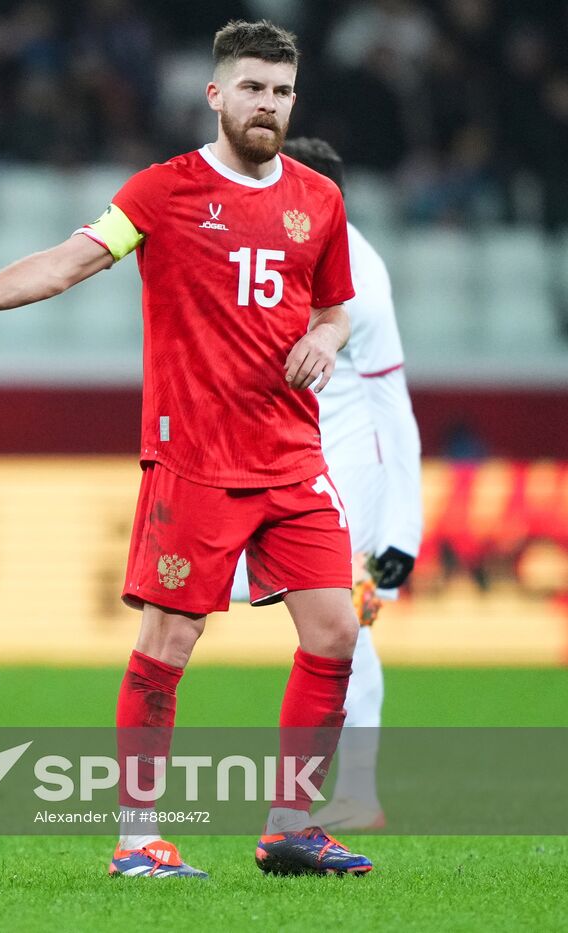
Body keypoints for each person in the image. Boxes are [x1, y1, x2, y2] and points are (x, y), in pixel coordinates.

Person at [0, 21, 372, 877]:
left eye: (280, 92)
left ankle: (288, 825)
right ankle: (137, 839)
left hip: (291, 456)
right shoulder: (164, 193)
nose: (266, 105)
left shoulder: (320, 199)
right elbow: (65, 265)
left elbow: (335, 306)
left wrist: (329, 337)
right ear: (216, 95)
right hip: (195, 458)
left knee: (337, 632)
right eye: (252, 89)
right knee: (167, 647)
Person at [226, 137, 421, 831]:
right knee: (311, 610)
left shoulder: (360, 276)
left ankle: (358, 792)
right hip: (276, 453)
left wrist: (406, 527)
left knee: (346, 620)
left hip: (344, 460)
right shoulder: (275, 247)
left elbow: (392, 402)